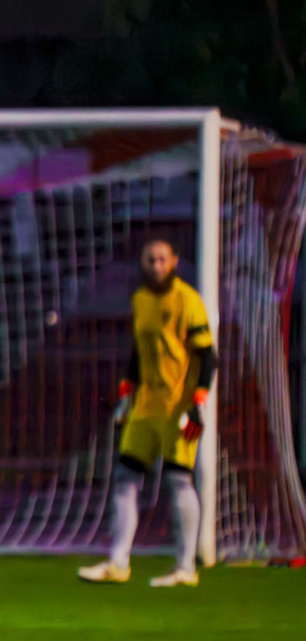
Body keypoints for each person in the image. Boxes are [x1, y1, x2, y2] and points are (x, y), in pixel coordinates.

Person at [79, 237, 216, 588]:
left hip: (180, 409)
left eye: (162, 259)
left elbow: (208, 356)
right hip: (145, 406)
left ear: (174, 261)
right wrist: (126, 395)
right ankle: (118, 563)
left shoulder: (188, 300)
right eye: (150, 259)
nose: (156, 265)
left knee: (179, 479)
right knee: (125, 478)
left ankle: (186, 568)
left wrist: (199, 403)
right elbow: (140, 353)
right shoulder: (140, 299)